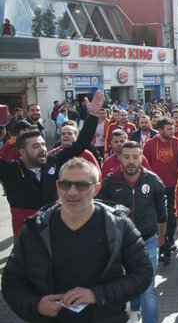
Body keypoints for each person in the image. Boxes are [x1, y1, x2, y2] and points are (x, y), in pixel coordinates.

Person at [2, 158, 152, 323]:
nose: (72, 192)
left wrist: (97, 294)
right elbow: (11, 281)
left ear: (96, 189)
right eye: (65, 185)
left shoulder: (118, 226)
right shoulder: (36, 229)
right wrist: (36, 305)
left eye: (81, 185)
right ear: (57, 186)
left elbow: (142, 273)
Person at [0, 92, 103, 239]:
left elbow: (80, 144)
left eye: (43, 145)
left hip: (54, 231)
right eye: (35, 146)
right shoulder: (10, 170)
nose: (42, 149)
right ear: (22, 152)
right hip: (26, 237)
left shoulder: (53, 160)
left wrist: (92, 116)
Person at [97, 141, 167, 323]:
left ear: (141, 157)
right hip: (120, 243)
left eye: (135, 157)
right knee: (128, 279)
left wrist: (161, 236)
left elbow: (162, 212)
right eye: (126, 157)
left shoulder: (152, 180)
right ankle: (134, 309)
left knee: (148, 288)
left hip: (148, 240)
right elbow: (101, 211)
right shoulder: (110, 182)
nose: (131, 161)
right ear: (119, 157)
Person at [143, 118, 178, 263]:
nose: (172, 131)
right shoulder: (150, 144)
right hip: (156, 187)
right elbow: (145, 165)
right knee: (160, 216)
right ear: (160, 130)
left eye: (173, 129)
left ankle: (169, 241)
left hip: (173, 186)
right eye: (169, 129)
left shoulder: (177, 143)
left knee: (171, 216)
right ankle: (164, 247)